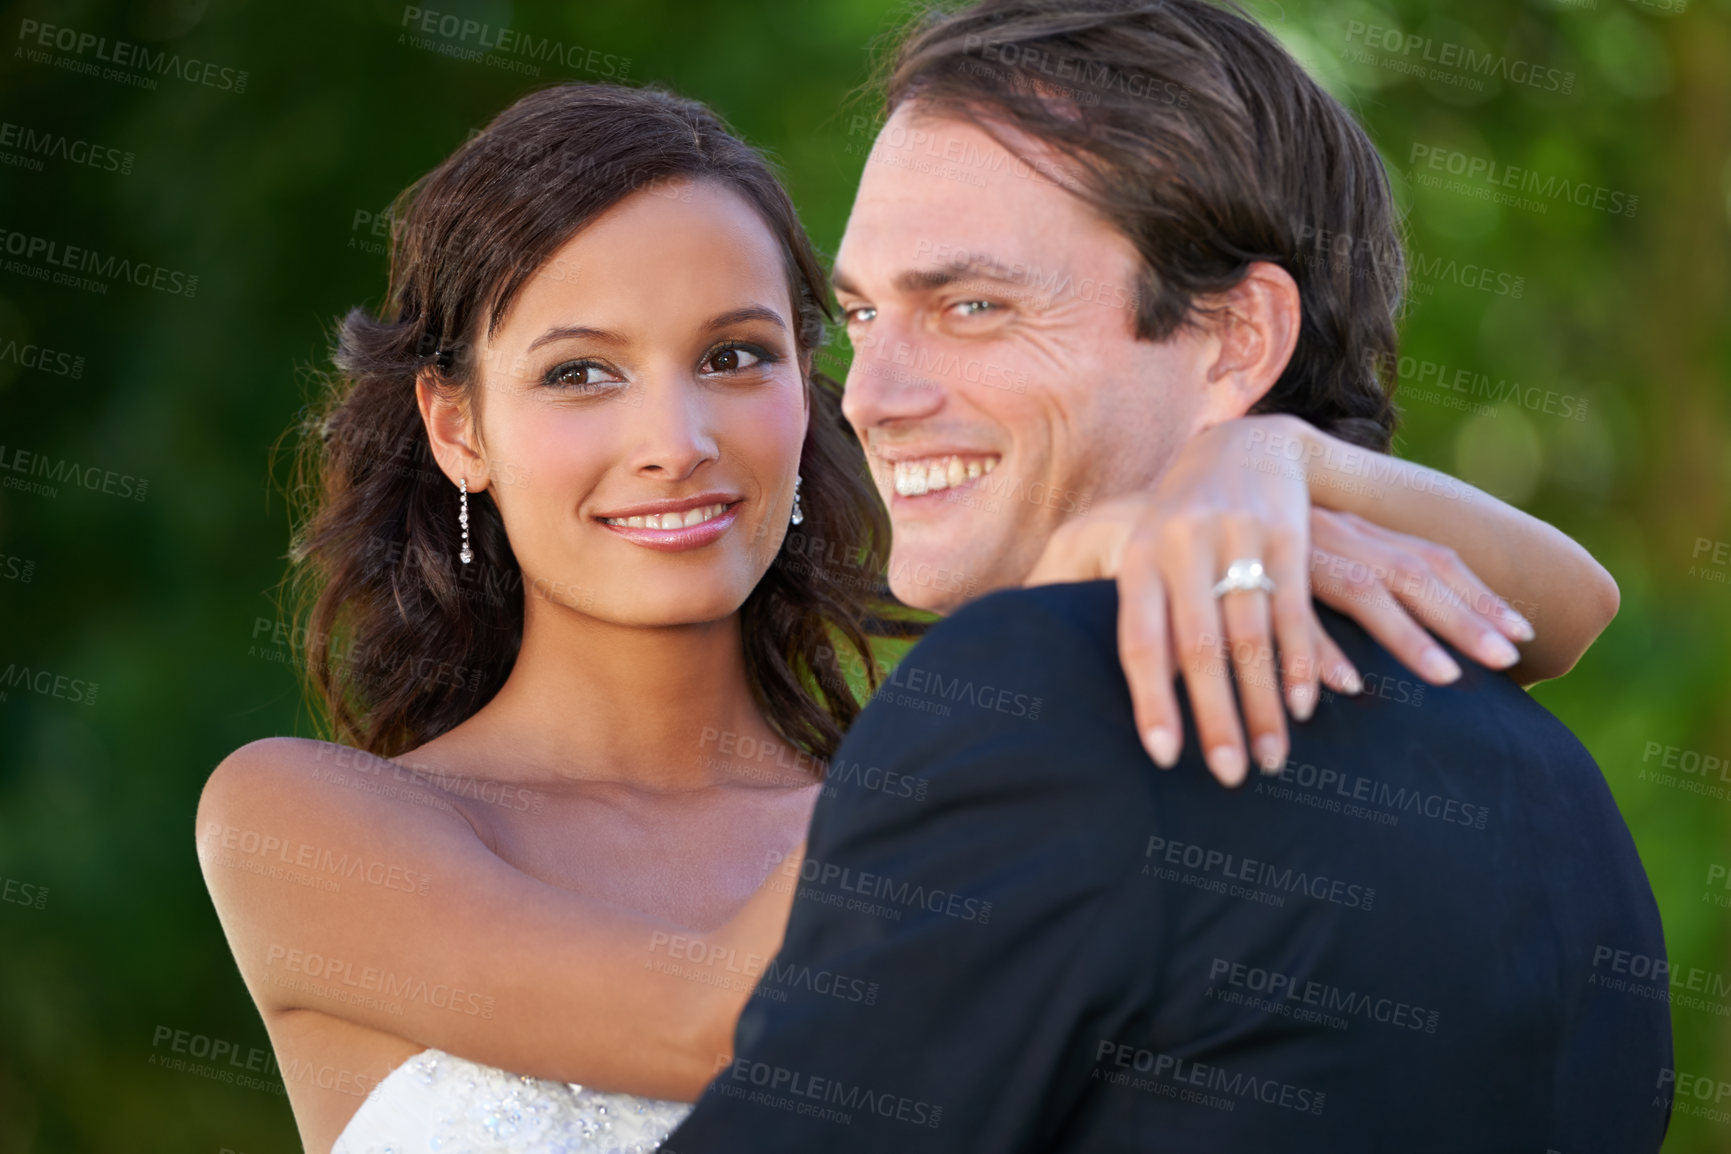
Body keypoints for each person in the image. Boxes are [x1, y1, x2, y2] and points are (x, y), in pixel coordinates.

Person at [196, 70, 1624, 1154]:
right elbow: (699, 1016)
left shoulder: (943, 781)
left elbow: (1559, 612)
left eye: (737, 355)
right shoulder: (306, 822)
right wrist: (1064, 599)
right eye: (580, 372)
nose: (677, 437)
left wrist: (1274, 461)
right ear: (457, 424)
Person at [662, 1, 1670, 1151]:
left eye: (972, 306)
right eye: (861, 315)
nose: (870, 395)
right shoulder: (1554, 782)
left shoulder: (1041, 696)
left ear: (1237, 337)